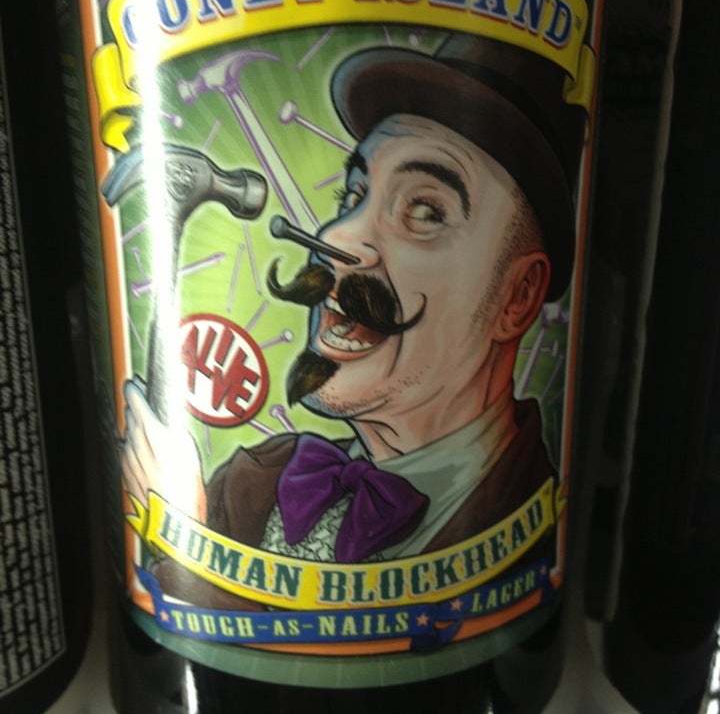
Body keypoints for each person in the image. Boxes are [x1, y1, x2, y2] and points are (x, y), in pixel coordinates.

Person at [121, 30, 588, 604]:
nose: (336, 238)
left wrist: (185, 538)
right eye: (353, 195)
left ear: (517, 297)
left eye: (424, 211)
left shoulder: (529, 526)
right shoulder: (252, 484)